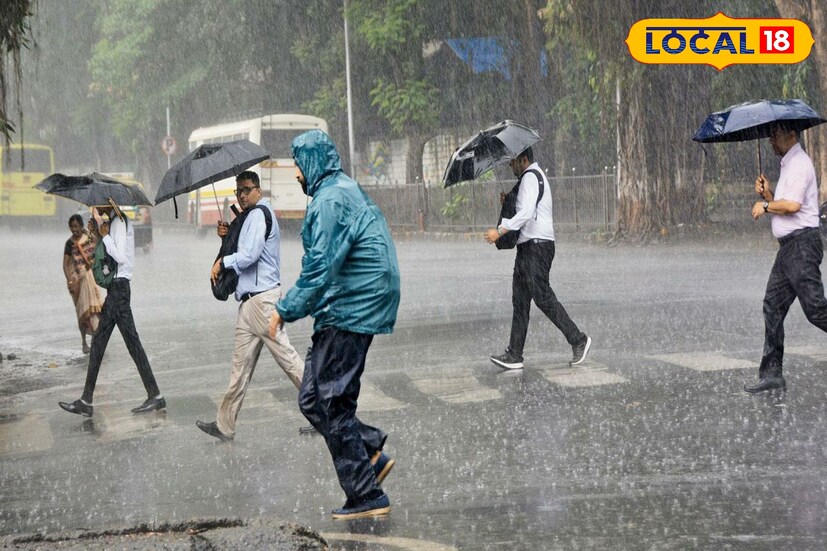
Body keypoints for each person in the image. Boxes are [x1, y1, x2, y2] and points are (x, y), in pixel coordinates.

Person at [269, 130, 400, 520]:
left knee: (332, 401)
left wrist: (286, 308)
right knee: (312, 399)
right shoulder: (337, 190)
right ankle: (370, 454)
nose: (295, 174)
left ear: (311, 163)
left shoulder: (329, 200)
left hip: (354, 305)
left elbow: (321, 268)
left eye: (297, 164)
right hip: (352, 301)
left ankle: (365, 495)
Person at [196, 171, 305, 441]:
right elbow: (242, 246)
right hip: (249, 304)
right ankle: (225, 424)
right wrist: (227, 234)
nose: (242, 195)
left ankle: (328, 411)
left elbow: (250, 254)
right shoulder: (250, 216)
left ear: (258, 189)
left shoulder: (258, 214)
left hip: (262, 301)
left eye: (247, 189)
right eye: (238, 191)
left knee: (288, 360)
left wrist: (223, 262)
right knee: (240, 368)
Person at [484, 147, 591, 370]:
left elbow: (525, 213)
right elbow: (525, 208)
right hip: (528, 247)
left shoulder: (531, 177)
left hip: (537, 247)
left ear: (524, 159)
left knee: (543, 297)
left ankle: (578, 339)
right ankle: (514, 355)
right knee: (520, 302)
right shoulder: (529, 178)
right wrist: (510, 199)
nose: (510, 166)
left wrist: (501, 230)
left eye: (513, 162)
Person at [59, 205, 165, 417]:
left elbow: (119, 257)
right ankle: (88, 400)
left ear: (110, 201)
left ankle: (152, 396)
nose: (97, 208)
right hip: (117, 291)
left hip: (119, 290)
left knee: (121, 344)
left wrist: (104, 234)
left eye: (99, 204)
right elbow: (103, 255)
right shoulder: (114, 222)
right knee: (108, 343)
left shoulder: (120, 222)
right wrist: (97, 233)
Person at [745, 122, 827, 393]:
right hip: (789, 249)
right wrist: (769, 193)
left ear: (791, 134)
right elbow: (787, 203)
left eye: (775, 134)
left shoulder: (800, 164)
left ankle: (772, 371)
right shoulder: (788, 165)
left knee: (815, 309)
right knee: (772, 305)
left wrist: (765, 204)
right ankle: (772, 373)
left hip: (802, 247)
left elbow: (793, 206)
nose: (771, 140)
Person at [63, 214, 102, 353]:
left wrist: (95, 229)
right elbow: (66, 264)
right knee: (81, 312)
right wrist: (70, 280)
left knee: (95, 309)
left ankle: (96, 339)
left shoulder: (90, 237)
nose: (74, 229)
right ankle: (84, 342)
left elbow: (98, 252)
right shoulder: (70, 243)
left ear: (81, 226)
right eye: (72, 227)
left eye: (76, 226)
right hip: (77, 281)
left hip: (91, 277)